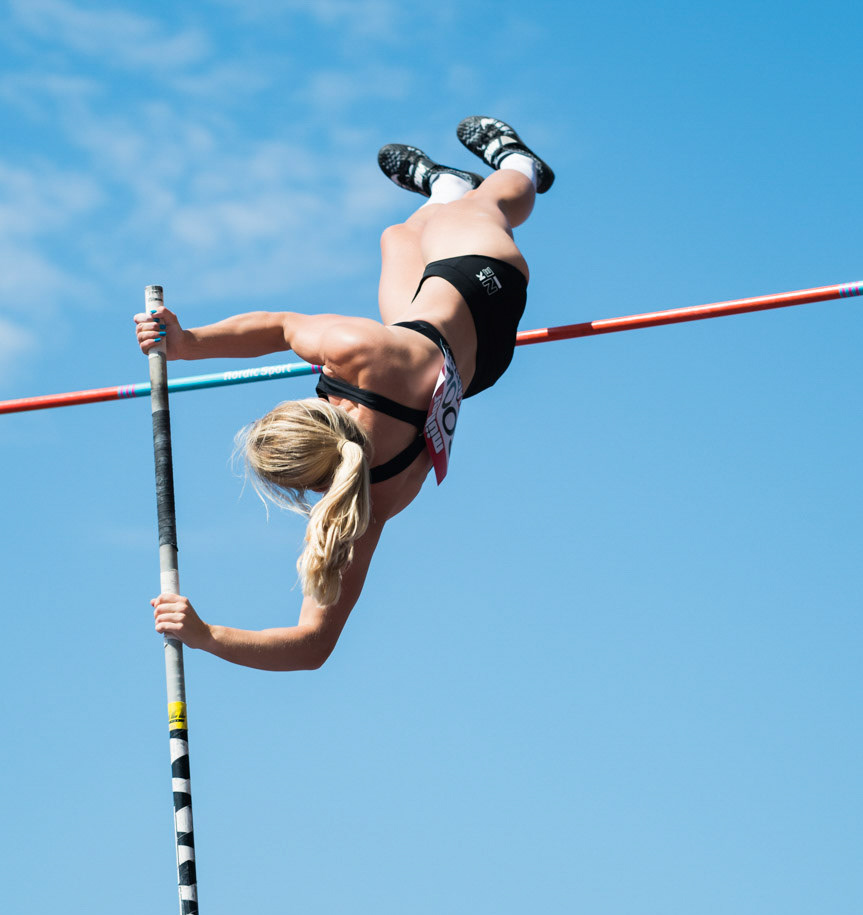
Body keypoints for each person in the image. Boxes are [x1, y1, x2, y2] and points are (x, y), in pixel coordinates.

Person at [134, 116, 554, 671]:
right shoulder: (355, 350)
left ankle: (443, 184)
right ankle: (518, 164)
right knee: (482, 209)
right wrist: (188, 343)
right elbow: (281, 325)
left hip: (473, 366)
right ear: (311, 413)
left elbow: (312, 647)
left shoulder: (366, 503)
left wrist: (208, 635)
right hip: (484, 284)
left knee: (398, 238)